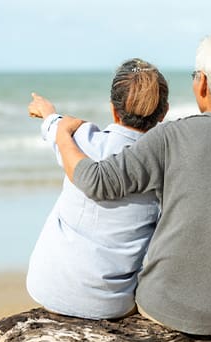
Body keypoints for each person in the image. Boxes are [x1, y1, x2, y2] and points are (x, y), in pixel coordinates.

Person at [55, 35, 211, 335]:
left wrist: (62, 134)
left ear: (203, 84)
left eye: (196, 75)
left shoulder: (172, 137)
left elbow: (98, 182)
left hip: (164, 309)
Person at [26, 58, 169, 320]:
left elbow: (56, 127)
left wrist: (46, 112)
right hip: (110, 305)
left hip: (47, 287)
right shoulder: (164, 167)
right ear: (164, 112)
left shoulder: (79, 140)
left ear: (113, 110)